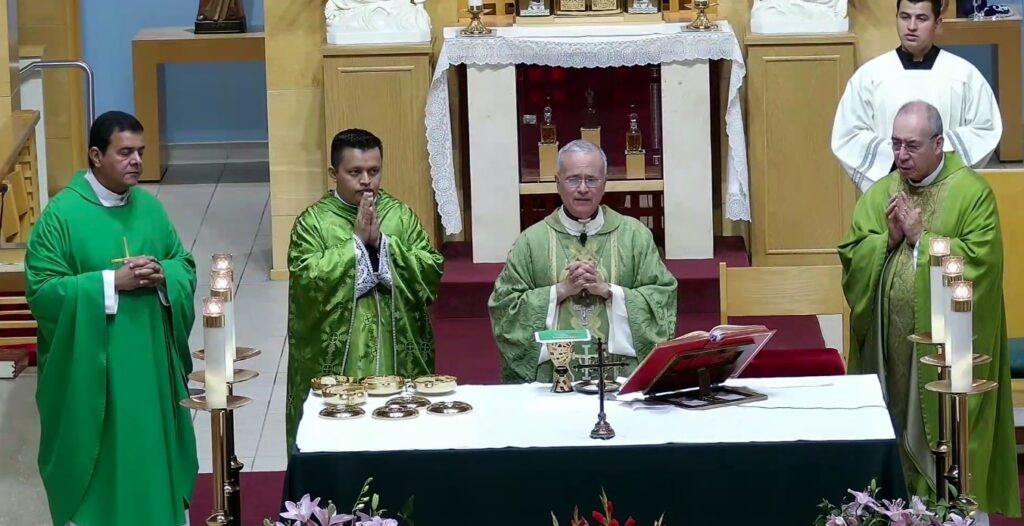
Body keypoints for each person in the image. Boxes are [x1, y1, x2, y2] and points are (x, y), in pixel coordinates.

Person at [838, 101, 1019, 520]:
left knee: (948, 441)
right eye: (896, 144)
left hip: (946, 358)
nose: (901, 155)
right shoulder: (883, 191)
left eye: (912, 146)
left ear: (939, 144)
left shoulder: (972, 193)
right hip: (889, 356)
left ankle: (950, 512)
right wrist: (886, 240)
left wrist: (924, 239)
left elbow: (981, 264)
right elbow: (852, 254)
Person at [25, 111, 198, 526]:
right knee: (106, 455)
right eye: (125, 152)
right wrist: (109, 282)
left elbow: (183, 263)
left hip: (150, 366)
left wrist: (164, 276)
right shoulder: (61, 217)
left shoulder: (150, 211)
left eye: (140, 152)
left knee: (149, 453)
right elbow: (42, 291)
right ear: (96, 155)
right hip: (94, 371)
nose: (136, 161)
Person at [286, 128, 443, 453]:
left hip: (395, 355)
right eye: (354, 172)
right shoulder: (312, 223)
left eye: (374, 171)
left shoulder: (400, 217)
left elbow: (430, 269)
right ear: (334, 173)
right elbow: (307, 280)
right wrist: (356, 245)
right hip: (341, 367)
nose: (366, 180)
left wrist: (383, 245)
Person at [488, 139, 677, 383]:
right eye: (574, 179)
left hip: (620, 377)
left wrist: (610, 292)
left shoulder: (635, 236)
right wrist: (559, 291)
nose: (583, 188)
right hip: (552, 379)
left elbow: (663, 297)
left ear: (605, 183)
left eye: (592, 179)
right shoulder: (531, 241)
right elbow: (505, 308)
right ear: (558, 183)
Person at [831, 0, 1001, 193]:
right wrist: (896, 158)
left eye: (921, 18)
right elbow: (847, 135)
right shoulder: (869, 76)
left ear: (937, 23)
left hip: (946, 194)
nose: (911, 27)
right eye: (905, 17)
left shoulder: (964, 75)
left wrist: (935, 157)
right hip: (888, 191)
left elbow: (985, 130)